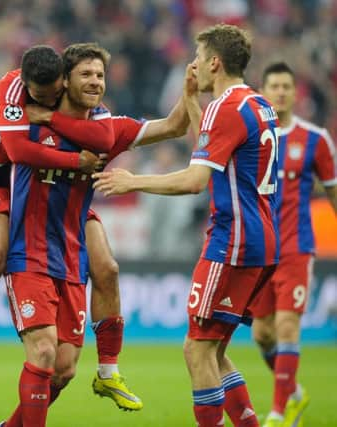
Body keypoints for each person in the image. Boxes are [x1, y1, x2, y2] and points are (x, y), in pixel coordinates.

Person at [0, 42, 191, 427]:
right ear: (64, 81)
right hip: (27, 252)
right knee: (44, 352)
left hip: (70, 258)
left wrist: (193, 87)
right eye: (86, 74)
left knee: (64, 369)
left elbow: (173, 125)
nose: (96, 82)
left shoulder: (106, 129)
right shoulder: (25, 128)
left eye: (100, 75)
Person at [94, 24, 280, 427]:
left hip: (233, 240)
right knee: (213, 350)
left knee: (196, 350)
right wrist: (193, 100)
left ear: (214, 62)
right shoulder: (257, 104)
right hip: (262, 238)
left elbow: (196, 180)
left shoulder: (226, 107)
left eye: (197, 57)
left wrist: (134, 180)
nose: (192, 65)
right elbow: (209, 150)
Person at [249, 62, 337, 427]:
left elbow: (333, 194)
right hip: (259, 250)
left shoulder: (315, 140)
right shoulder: (252, 136)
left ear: (295, 92)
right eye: (275, 85)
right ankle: (295, 393)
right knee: (262, 333)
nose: (281, 91)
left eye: (287, 85)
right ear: (264, 91)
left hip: (296, 247)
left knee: (287, 327)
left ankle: (278, 412)